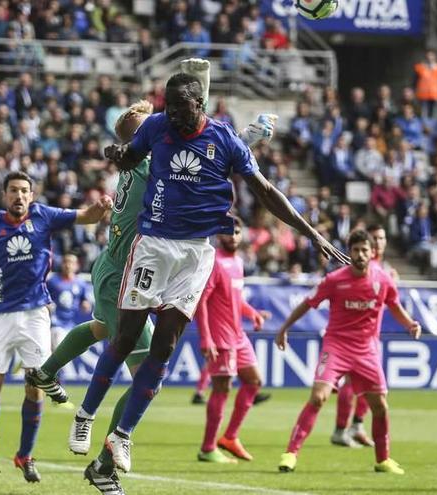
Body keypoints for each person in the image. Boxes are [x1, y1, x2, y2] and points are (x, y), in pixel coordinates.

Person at [88, 68, 349, 476]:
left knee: (163, 355)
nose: (173, 115)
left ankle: (119, 438)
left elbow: (262, 189)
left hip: (192, 254)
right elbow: (137, 156)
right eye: (168, 108)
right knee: (122, 340)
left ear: (200, 105)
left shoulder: (217, 139)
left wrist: (311, 231)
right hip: (143, 250)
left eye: (181, 108)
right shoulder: (155, 133)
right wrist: (119, 154)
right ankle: (86, 417)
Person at [0, 171, 112, 485]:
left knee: (36, 385)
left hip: (35, 314)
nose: (19, 196)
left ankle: (25, 456)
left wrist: (100, 207)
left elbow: (86, 216)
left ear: (31, 195)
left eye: (25, 191)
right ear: (5, 195)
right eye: (14, 190)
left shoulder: (45, 215)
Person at [276, 229, 420, 474]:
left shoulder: (383, 279)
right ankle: (290, 453)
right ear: (349, 252)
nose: (361, 254)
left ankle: (383, 459)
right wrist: (284, 328)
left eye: (365, 250)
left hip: (367, 350)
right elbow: (308, 303)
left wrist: (409, 324)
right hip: (337, 346)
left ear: (372, 252)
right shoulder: (334, 280)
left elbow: (393, 305)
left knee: (380, 407)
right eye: (356, 250)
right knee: (318, 397)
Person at [195, 217, 270, 463]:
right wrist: (206, 338)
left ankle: (230, 437)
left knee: (254, 381)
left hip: (239, 336)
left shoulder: (237, 262)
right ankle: (207, 448)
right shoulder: (214, 262)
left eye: (237, 232)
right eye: (229, 233)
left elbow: (234, 297)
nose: (233, 236)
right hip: (221, 338)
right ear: (219, 236)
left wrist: (253, 314)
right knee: (222, 388)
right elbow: (201, 301)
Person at [331, 224, 398, 448]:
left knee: (371, 388)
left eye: (382, 238)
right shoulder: (360, 266)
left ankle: (357, 425)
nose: (379, 242)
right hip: (352, 339)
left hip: (372, 338)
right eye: (376, 238)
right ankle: (341, 429)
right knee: (351, 383)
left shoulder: (383, 271)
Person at [46, 253, 92, 351]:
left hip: (72, 325)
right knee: (59, 350)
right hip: (56, 324)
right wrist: (47, 305)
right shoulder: (52, 282)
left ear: (76, 265)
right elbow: (43, 298)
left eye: (71, 262)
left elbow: (85, 302)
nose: (68, 265)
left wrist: (86, 305)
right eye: (65, 262)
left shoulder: (81, 284)